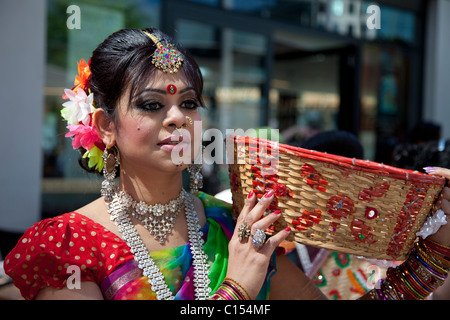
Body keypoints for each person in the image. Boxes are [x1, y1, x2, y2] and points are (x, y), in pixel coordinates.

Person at [4, 28, 450, 301]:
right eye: (151, 104)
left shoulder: (231, 225)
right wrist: (236, 289)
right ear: (104, 125)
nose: (178, 117)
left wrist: (436, 252)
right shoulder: (69, 244)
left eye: (190, 103)